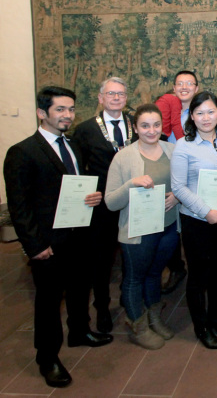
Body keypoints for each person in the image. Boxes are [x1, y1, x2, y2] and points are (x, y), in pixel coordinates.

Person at [4, 86, 113, 388]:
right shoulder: (22, 152)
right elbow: (19, 206)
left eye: (71, 109)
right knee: (49, 301)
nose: (68, 115)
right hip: (48, 243)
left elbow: (76, 187)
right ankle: (47, 357)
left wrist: (92, 197)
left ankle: (79, 331)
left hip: (79, 235)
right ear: (42, 113)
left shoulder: (73, 146)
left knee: (80, 288)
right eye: (60, 110)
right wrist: (34, 246)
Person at [104, 104, 179, 349]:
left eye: (156, 125)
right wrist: (131, 184)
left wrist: (176, 196)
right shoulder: (123, 157)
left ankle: (154, 317)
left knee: (155, 274)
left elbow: (183, 183)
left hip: (167, 227)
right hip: (138, 232)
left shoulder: (172, 149)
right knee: (135, 278)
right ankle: (138, 324)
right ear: (135, 128)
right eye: (145, 125)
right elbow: (110, 202)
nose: (151, 130)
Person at [171, 91, 217, 350]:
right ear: (191, 116)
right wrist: (206, 211)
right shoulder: (183, 145)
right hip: (197, 221)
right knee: (200, 275)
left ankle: (216, 318)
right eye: (199, 113)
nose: (206, 117)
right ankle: (201, 326)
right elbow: (178, 187)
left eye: (210, 111)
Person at [74, 77, 137, 334]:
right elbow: (78, 168)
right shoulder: (85, 130)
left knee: (132, 256)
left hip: (133, 202)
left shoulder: (136, 125)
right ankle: (102, 308)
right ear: (101, 98)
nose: (116, 98)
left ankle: (129, 298)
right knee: (102, 260)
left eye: (121, 94)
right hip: (102, 205)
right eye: (111, 94)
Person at [155, 71, 197, 295]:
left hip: (196, 171)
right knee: (171, 220)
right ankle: (176, 267)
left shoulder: (201, 110)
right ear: (173, 87)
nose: (184, 87)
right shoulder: (165, 107)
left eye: (189, 83)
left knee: (192, 221)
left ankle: (196, 268)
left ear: (196, 88)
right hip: (170, 170)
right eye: (180, 83)